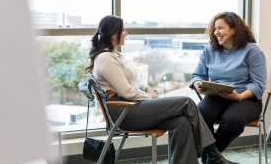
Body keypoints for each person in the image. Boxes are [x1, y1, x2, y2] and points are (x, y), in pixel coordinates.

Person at [85, 15, 233, 164]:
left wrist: (147, 88)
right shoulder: (106, 59)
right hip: (125, 113)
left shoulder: (115, 55)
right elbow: (126, 92)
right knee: (186, 102)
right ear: (112, 33)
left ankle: (205, 156)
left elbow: (132, 81)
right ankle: (214, 155)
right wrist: (149, 98)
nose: (126, 33)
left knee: (181, 122)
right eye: (123, 30)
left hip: (133, 107)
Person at [190, 12, 267, 164]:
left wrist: (238, 97)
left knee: (232, 120)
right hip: (216, 96)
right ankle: (216, 160)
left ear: (234, 29)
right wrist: (197, 83)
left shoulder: (252, 50)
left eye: (220, 28)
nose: (216, 32)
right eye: (215, 29)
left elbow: (259, 84)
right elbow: (197, 75)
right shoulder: (209, 51)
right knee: (199, 114)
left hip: (246, 98)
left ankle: (210, 158)